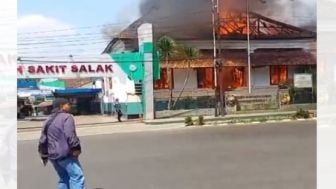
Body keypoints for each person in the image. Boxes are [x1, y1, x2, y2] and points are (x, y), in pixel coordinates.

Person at [38, 98, 85, 189]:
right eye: (68, 104)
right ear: (61, 106)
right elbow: (70, 135)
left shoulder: (48, 119)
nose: (70, 106)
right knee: (77, 177)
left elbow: (43, 139)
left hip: (52, 156)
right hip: (65, 155)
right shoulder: (67, 117)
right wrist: (76, 148)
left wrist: (44, 155)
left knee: (64, 178)